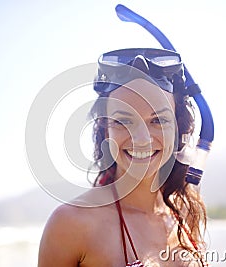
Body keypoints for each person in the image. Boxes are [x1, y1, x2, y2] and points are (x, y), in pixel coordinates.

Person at [38, 48, 207, 267]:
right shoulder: (72, 225)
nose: (142, 139)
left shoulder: (185, 214)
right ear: (105, 130)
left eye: (158, 121)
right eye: (124, 121)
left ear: (178, 129)